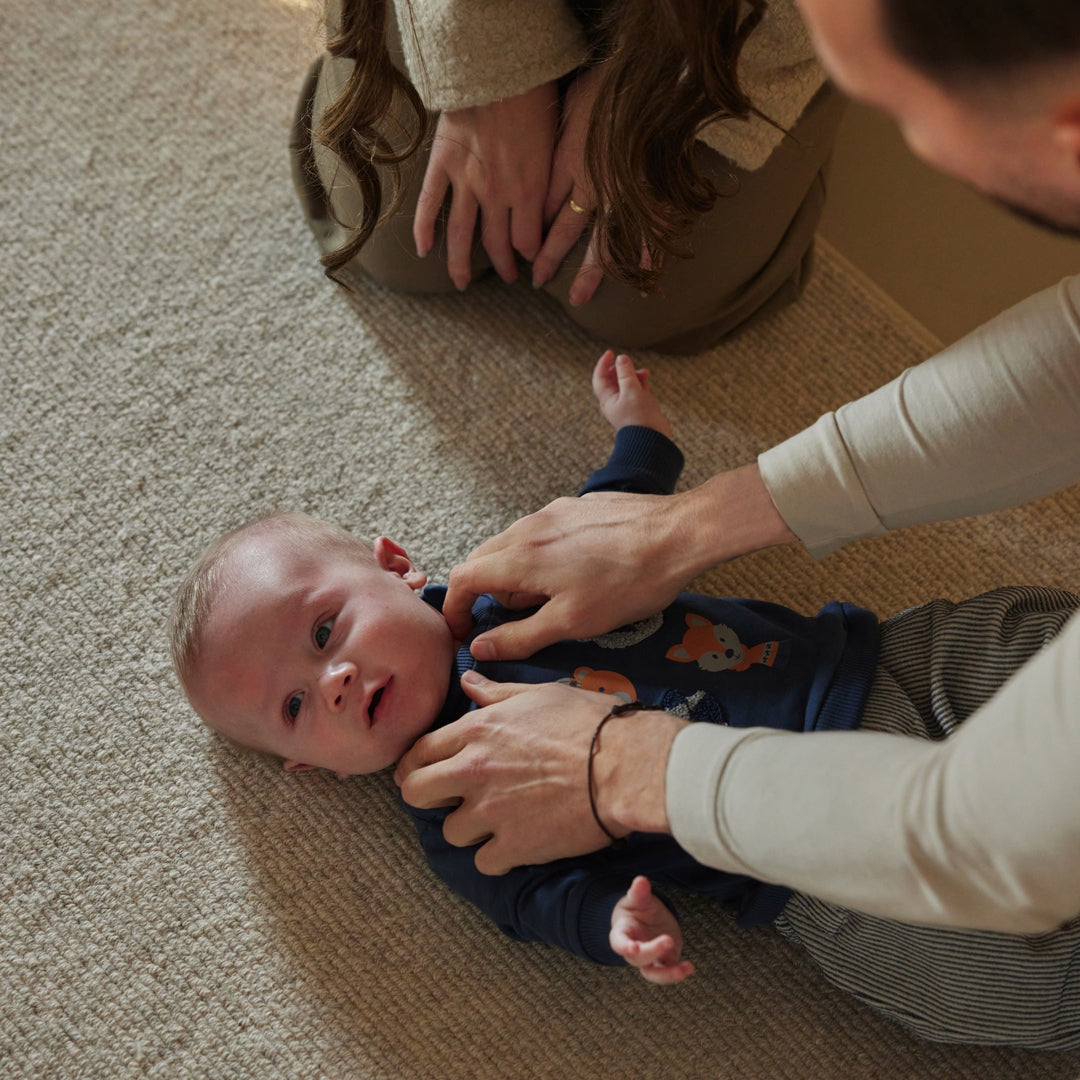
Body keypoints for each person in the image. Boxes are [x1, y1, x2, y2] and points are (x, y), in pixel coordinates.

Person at [394, 0, 1080, 942]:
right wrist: (687, 527)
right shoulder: (446, 768)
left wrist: (620, 766)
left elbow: (989, 846)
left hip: (888, 733)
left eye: (898, 110)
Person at [169, 355, 1080, 1047]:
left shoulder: (501, 590)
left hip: (879, 668)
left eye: (325, 630)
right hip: (806, 870)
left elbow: (614, 525)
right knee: (1003, 980)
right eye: (295, 708)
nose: (331, 681)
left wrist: (639, 440)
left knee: (1030, 646)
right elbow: (531, 898)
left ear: (396, 566)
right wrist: (614, 925)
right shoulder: (450, 798)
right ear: (313, 769)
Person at [289, 0, 847, 352]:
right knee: (398, 240)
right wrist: (493, 67)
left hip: (720, 22)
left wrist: (653, 93)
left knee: (642, 303)